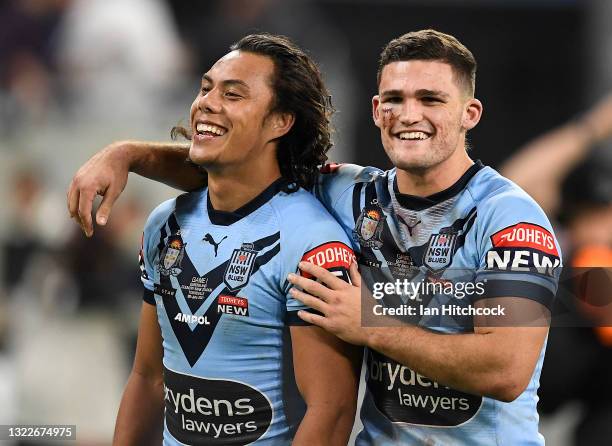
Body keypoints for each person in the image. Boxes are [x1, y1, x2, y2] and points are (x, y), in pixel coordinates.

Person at [68, 30, 561, 445]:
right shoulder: (350, 193)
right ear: (375, 109)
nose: (409, 114)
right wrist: (127, 155)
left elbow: (505, 369)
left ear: (470, 113)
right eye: (394, 99)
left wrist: (369, 323)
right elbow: (236, 169)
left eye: (430, 99)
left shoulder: (509, 219)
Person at [105, 33, 361, 445]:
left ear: (281, 121)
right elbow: (148, 378)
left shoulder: (312, 243)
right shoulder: (163, 226)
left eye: (233, 94)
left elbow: (331, 411)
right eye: (205, 88)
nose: (207, 102)